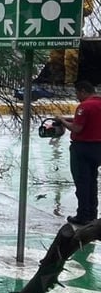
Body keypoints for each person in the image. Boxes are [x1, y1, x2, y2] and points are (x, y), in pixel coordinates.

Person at [57, 80, 101, 225]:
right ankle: (92, 214)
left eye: (77, 93)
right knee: (92, 182)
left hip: (82, 149)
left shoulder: (84, 106)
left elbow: (77, 128)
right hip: (98, 148)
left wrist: (63, 121)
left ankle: (82, 215)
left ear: (83, 91)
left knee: (82, 183)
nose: (77, 96)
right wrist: (70, 119)